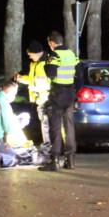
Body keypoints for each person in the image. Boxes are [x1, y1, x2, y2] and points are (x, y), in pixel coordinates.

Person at [39, 31, 78, 172]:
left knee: (55, 127)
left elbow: (50, 73)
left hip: (57, 94)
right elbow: (78, 73)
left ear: (52, 43)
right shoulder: (72, 54)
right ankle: (70, 160)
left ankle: (54, 161)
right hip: (70, 94)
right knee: (69, 127)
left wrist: (46, 64)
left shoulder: (54, 55)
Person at [15, 41, 53, 160]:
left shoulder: (47, 63)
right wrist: (22, 79)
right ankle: (48, 152)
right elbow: (34, 80)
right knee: (45, 127)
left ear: (36, 53)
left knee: (47, 128)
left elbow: (47, 83)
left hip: (47, 101)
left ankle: (48, 154)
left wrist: (33, 87)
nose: (29, 56)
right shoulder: (35, 64)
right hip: (40, 101)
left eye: (30, 54)